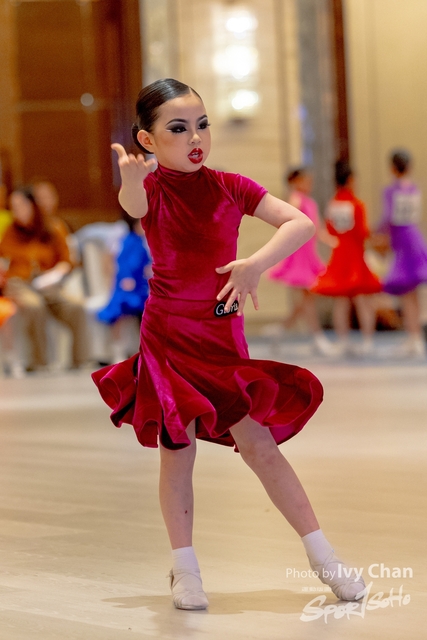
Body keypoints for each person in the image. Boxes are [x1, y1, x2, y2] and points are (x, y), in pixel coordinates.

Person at [92, 78, 365, 610]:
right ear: (148, 140)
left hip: (221, 337)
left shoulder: (230, 186)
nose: (195, 137)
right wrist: (131, 180)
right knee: (178, 451)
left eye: (201, 125)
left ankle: (324, 557)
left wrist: (254, 264)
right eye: (178, 129)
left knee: (260, 446)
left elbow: (300, 223)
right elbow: (134, 206)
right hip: (169, 337)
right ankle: (185, 569)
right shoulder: (151, 188)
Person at [0, 185, 88, 372]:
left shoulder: (53, 227)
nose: (18, 211)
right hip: (19, 283)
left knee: (76, 308)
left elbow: (67, 261)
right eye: (13, 207)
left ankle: (80, 362)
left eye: (21, 205)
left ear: (33, 205)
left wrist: (54, 275)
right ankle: (39, 364)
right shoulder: (10, 232)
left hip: (49, 283)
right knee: (35, 306)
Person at [312, 160, 382, 355]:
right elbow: (362, 232)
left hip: (339, 255)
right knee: (362, 300)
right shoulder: (357, 204)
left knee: (341, 302)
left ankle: (342, 341)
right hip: (355, 255)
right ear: (350, 180)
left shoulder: (332, 204)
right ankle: (368, 341)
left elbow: (330, 229)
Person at [268, 167, 336, 355]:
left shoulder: (311, 202)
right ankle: (318, 338)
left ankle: (280, 330)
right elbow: (287, 221)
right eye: (306, 181)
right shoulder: (296, 199)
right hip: (298, 255)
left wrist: (332, 241)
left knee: (307, 299)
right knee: (308, 298)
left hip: (309, 255)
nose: (309, 184)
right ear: (296, 182)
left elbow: (318, 229)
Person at [374, 149, 427, 357]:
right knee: (413, 292)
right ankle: (415, 337)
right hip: (415, 237)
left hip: (402, 241)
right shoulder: (414, 188)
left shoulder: (391, 191)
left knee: (406, 293)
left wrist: (376, 232)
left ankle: (414, 337)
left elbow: (388, 217)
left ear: (392, 168)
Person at [97, 212, 152, 362]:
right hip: (126, 286)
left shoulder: (142, 243)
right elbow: (122, 265)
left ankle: (144, 348)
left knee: (146, 309)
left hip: (141, 287)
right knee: (119, 308)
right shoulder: (127, 241)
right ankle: (118, 349)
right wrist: (126, 280)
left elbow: (146, 265)